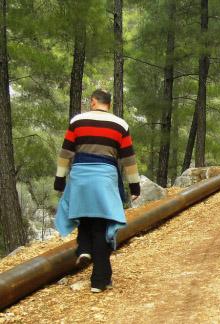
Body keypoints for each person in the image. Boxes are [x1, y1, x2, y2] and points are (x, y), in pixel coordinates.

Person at [54, 89, 140, 293]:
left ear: (93, 102)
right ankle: (98, 281)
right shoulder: (120, 124)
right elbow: (128, 158)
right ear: (108, 104)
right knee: (101, 225)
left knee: (84, 216)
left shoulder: (77, 121)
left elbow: (65, 153)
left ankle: (83, 248)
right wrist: (134, 186)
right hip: (104, 177)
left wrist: (59, 179)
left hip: (80, 176)